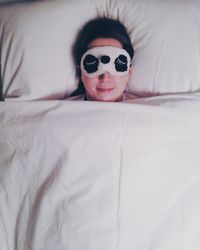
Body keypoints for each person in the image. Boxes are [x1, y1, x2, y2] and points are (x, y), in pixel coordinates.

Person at [69, 17, 136, 102]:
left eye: (118, 63)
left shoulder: (150, 111)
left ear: (129, 74)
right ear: (80, 72)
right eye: (92, 63)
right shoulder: (58, 113)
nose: (105, 78)